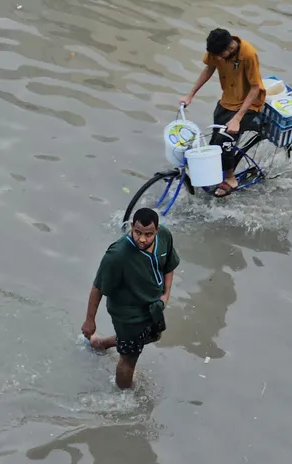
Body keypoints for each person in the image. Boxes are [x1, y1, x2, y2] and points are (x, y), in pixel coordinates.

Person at [81, 208, 179, 389]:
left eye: (148, 234)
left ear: (157, 230)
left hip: (153, 307)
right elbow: (98, 287)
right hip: (128, 314)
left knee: (151, 335)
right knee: (129, 359)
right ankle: (124, 394)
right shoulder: (117, 255)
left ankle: (101, 344)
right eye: (138, 232)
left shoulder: (164, 236)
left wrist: (166, 295)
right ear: (132, 227)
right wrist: (89, 320)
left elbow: (169, 266)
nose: (142, 239)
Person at [180, 28, 278, 198]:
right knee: (213, 144)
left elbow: (255, 88)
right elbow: (209, 68)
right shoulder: (217, 51)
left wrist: (238, 118)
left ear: (230, 49)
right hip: (227, 100)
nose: (218, 59)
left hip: (249, 104)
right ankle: (216, 174)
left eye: (220, 55)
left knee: (225, 143)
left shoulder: (248, 54)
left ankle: (231, 179)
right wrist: (191, 94)